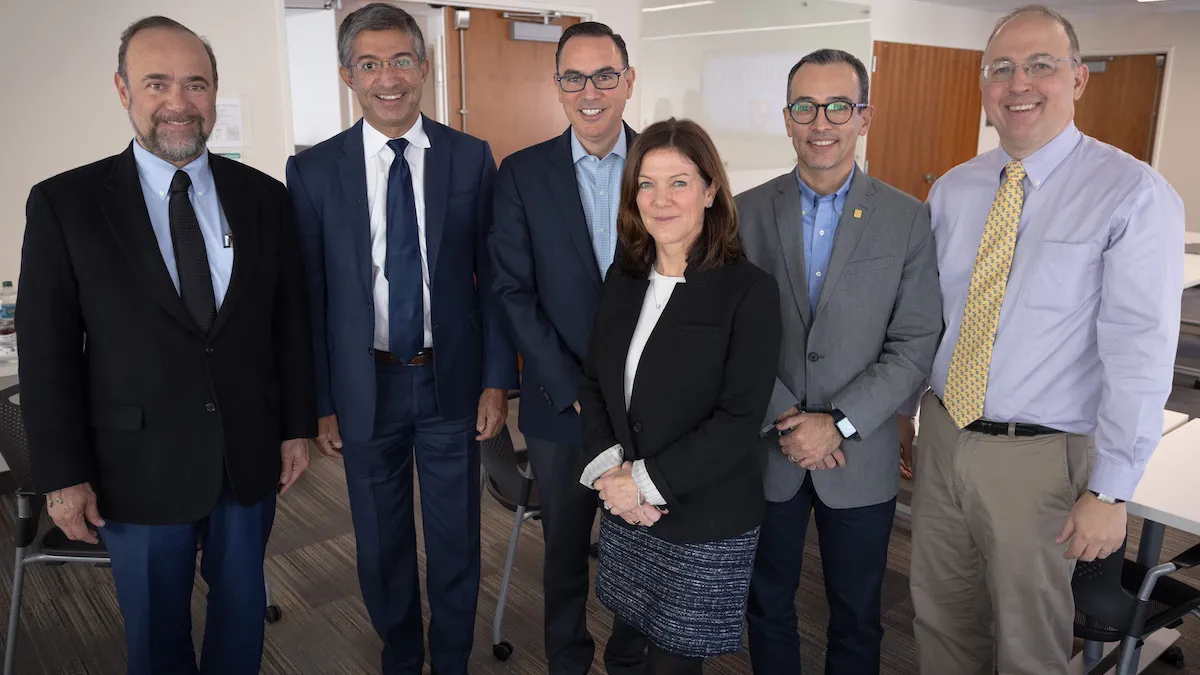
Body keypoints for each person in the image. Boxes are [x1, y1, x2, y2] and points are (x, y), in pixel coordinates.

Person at [18, 16, 316, 675]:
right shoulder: (65, 204)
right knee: (156, 636)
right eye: (158, 83)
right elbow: (47, 356)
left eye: (195, 84)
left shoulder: (264, 196)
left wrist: (296, 427)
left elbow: (289, 323)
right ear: (123, 90)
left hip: (247, 457)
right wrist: (62, 477)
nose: (179, 103)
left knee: (241, 617)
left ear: (215, 91)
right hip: (134, 467)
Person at [910, 6, 1184, 674]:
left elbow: (1140, 352)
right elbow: (933, 318)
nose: (1018, 83)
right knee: (940, 617)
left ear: (1078, 79)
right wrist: (908, 411)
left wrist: (1113, 490)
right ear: (984, 85)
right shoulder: (954, 189)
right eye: (1001, 69)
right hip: (944, 437)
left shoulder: (1132, 194)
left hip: (1040, 463)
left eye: (1040, 65)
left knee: (1028, 639)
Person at [285, 4, 517, 673]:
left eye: (401, 60)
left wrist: (497, 380)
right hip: (366, 387)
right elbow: (310, 300)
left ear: (424, 66)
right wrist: (319, 401)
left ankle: (450, 659)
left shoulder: (470, 158)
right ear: (347, 75)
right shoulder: (314, 171)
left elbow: (494, 282)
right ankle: (399, 653)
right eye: (369, 63)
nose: (388, 77)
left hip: (452, 382)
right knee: (380, 543)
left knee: (454, 538)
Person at [736, 49, 942, 675]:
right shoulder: (744, 213)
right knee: (766, 603)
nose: (819, 122)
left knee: (856, 613)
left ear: (864, 117)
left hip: (861, 452)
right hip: (770, 447)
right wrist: (788, 418)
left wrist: (839, 421)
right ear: (787, 117)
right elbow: (727, 335)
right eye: (804, 106)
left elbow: (915, 342)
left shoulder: (907, 218)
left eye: (837, 106)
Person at [577, 117, 783, 675]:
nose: (660, 200)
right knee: (621, 647)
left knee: (672, 664)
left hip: (702, 515)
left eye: (680, 182)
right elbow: (594, 382)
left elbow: (738, 420)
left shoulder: (748, 291)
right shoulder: (624, 276)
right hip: (626, 504)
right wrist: (612, 476)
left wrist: (639, 483)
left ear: (711, 190)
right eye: (646, 183)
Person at [489, 21, 645, 675]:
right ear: (557, 86)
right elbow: (513, 291)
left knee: (640, 546)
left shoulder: (664, 165)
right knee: (563, 552)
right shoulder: (523, 174)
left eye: (605, 75)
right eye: (575, 77)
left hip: (649, 404)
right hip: (561, 409)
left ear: (628, 82)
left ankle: (631, 658)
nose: (591, 91)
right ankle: (567, 659)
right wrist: (578, 390)